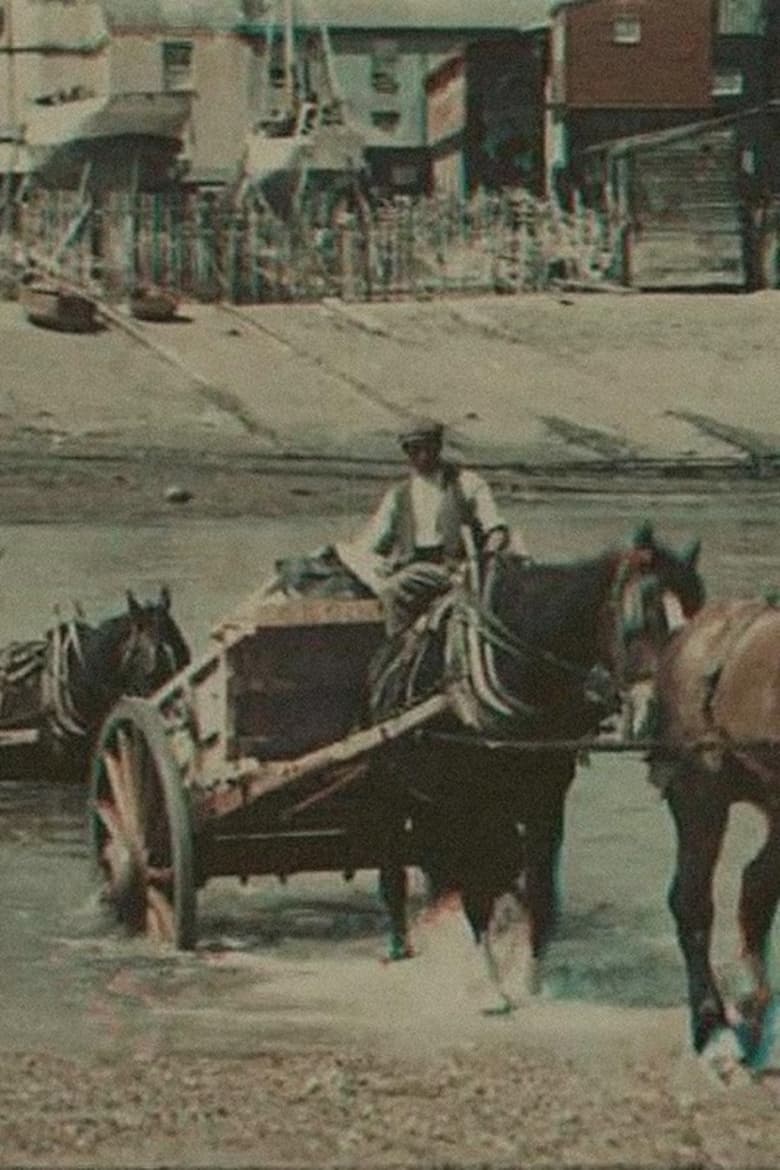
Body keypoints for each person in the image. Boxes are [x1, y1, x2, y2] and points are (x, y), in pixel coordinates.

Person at [338, 417, 527, 636]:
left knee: (394, 588)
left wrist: (482, 560)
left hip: (458, 570)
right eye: (414, 450)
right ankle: (405, 644)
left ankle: (401, 647)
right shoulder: (398, 495)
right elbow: (371, 543)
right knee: (384, 580)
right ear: (406, 452)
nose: (422, 456)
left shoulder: (468, 483)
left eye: (428, 448)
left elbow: (496, 530)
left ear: (438, 447)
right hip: (415, 569)